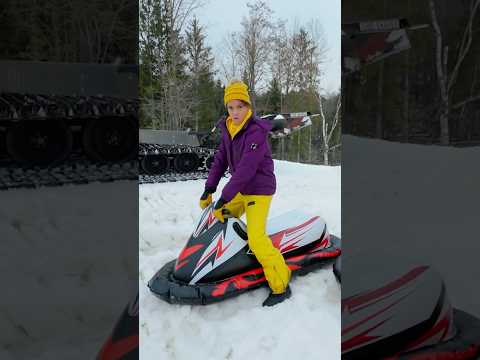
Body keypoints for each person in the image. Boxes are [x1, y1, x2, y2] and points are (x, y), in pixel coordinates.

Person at [199, 79, 291, 307]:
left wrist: (224, 196)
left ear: (248, 106)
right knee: (218, 215)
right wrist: (209, 189)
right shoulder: (228, 128)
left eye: (240, 106)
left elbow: (246, 169)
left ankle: (281, 285)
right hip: (242, 188)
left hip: (259, 189)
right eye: (231, 107)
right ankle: (227, 257)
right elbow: (220, 160)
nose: (235, 112)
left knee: (257, 238)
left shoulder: (256, 131)